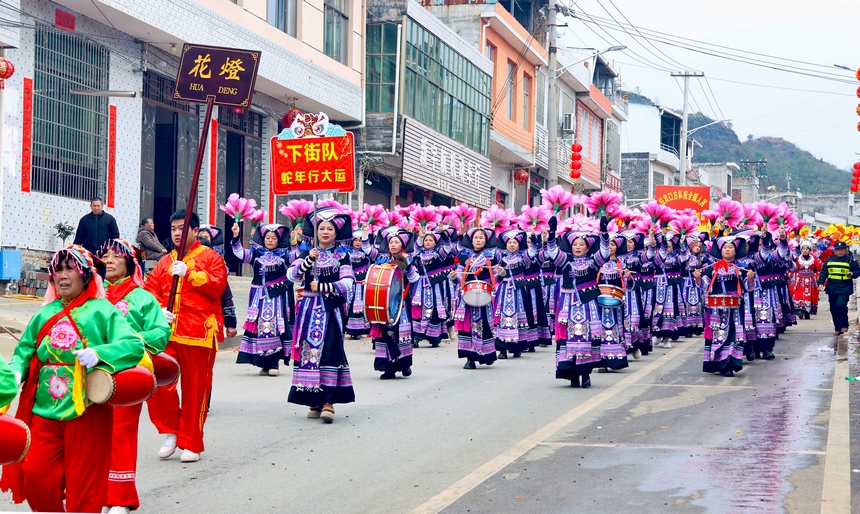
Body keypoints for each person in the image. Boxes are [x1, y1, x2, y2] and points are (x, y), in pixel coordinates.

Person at [0, 245, 144, 513]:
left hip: (87, 411)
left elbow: (133, 345)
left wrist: (99, 353)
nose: (62, 276)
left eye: (70, 269)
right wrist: (17, 370)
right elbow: (25, 350)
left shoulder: (103, 310)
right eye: (58, 270)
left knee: (84, 488)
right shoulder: (44, 313)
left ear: (86, 275)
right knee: (35, 478)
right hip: (44, 411)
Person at [145, 210, 227, 463]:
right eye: (173, 229)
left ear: (194, 230)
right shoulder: (163, 262)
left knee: (195, 390)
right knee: (158, 382)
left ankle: (191, 440)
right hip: (166, 334)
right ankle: (171, 429)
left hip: (199, 332)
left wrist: (190, 274)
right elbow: (149, 291)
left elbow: (218, 286)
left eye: (182, 228)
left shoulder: (211, 257)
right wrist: (158, 309)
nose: (177, 233)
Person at [98, 238, 171, 514]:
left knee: (121, 432)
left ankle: (121, 497)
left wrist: (129, 341)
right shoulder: (93, 295)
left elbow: (160, 333)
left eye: (116, 255)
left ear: (129, 262)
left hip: (128, 372)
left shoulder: (142, 297)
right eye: (104, 255)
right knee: (93, 433)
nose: (109, 259)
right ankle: (98, 493)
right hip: (93, 371)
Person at [286, 207, 355, 423]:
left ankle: (328, 401)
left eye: (330, 228)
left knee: (330, 351)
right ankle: (313, 399)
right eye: (321, 228)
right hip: (307, 310)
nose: (325, 232)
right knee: (309, 352)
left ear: (336, 233)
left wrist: (323, 286)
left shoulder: (342, 256)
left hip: (331, 310)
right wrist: (308, 261)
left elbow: (348, 284)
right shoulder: (307, 253)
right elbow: (292, 275)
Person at [544, 216, 610, 388]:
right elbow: (552, 251)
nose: (578, 247)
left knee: (586, 336)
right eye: (575, 244)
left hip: (588, 304)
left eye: (581, 244)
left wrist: (604, 232)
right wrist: (552, 232)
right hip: (567, 304)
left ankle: (586, 374)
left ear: (588, 247)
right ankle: (572, 373)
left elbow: (604, 253)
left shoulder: (593, 262)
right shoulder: (565, 260)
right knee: (567, 337)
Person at [231, 222, 292, 376]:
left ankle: (274, 364)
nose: (270, 240)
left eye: (273, 238)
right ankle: (263, 364)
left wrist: (296, 241)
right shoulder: (256, 254)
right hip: (258, 299)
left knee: (274, 329)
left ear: (278, 241)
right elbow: (239, 253)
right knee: (259, 329)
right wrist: (236, 236)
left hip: (276, 298)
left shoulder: (285, 255)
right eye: (267, 238)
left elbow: (299, 258)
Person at [694, 235, 755, 377]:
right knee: (718, 334)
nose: (727, 250)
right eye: (725, 247)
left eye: (731, 247)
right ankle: (721, 363)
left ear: (735, 251)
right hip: (716, 309)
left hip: (735, 308)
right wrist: (698, 277)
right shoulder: (711, 268)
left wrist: (751, 279)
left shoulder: (741, 268)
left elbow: (747, 287)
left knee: (733, 335)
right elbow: (705, 285)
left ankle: (731, 362)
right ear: (720, 251)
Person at [367, 227, 420, 378]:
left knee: (400, 334)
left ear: (403, 245)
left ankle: (404, 364)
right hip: (383, 302)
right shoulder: (382, 259)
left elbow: (415, 279)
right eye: (391, 242)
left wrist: (408, 267)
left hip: (401, 302)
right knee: (385, 333)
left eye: (397, 242)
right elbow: (367, 252)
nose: (393, 244)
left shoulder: (408, 259)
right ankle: (388, 367)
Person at [451, 227, 500, 369]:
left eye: (481, 238)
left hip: (485, 296)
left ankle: (487, 354)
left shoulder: (491, 257)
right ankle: (470, 358)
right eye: (476, 238)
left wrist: (501, 274)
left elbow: (495, 276)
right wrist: (455, 277)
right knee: (466, 327)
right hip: (467, 297)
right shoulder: (465, 257)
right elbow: (461, 275)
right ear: (471, 240)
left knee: (484, 325)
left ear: (486, 240)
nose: (478, 240)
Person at [410, 228, 454, 348]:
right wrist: (420, 236)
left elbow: (448, 247)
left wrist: (442, 234)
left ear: (435, 243)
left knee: (434, 309)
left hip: (435, 286)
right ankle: (417, 337)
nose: (428, 242)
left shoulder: (439, 254)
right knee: (418, 309)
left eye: (431, 240)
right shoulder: (418, 254)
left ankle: (434, 337)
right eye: (426, 240)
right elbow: (414, 251)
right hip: (420, 285)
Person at [818, 241, 860, 335]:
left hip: (844, 287)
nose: (840, 251)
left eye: (842, 249)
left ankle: (844, 325)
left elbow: (857, 270)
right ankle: (837, 328)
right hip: (832, 287)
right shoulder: (829, 260)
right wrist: (820, 283)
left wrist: (852, 274)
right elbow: (823, 272)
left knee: (840, 305)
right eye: (838, 250)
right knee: (833, 308)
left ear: (846, 250)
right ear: (835, 251)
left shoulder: (850, 260)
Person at [345, 237, 372, 339]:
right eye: (355, 240)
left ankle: (365, 329)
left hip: (363, 283)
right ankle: (353, 330)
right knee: (351, 306)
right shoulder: (346, 252)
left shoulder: (367, 253)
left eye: (360, 241)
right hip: (351, 283)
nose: (357, 243)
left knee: (364, 305)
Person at [791, 240, 822, 319]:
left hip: (811, 280)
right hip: (800, 280)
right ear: (801, 250)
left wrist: (815, 274)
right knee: (799, 295)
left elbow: (819, 267)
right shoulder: (797, 258)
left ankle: (807, 311)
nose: (805, 250)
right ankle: (800, 310)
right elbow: (793, 268)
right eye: (803, 249)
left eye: (807, 249)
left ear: (810, 250)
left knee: (809, 296)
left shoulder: (814, 258)